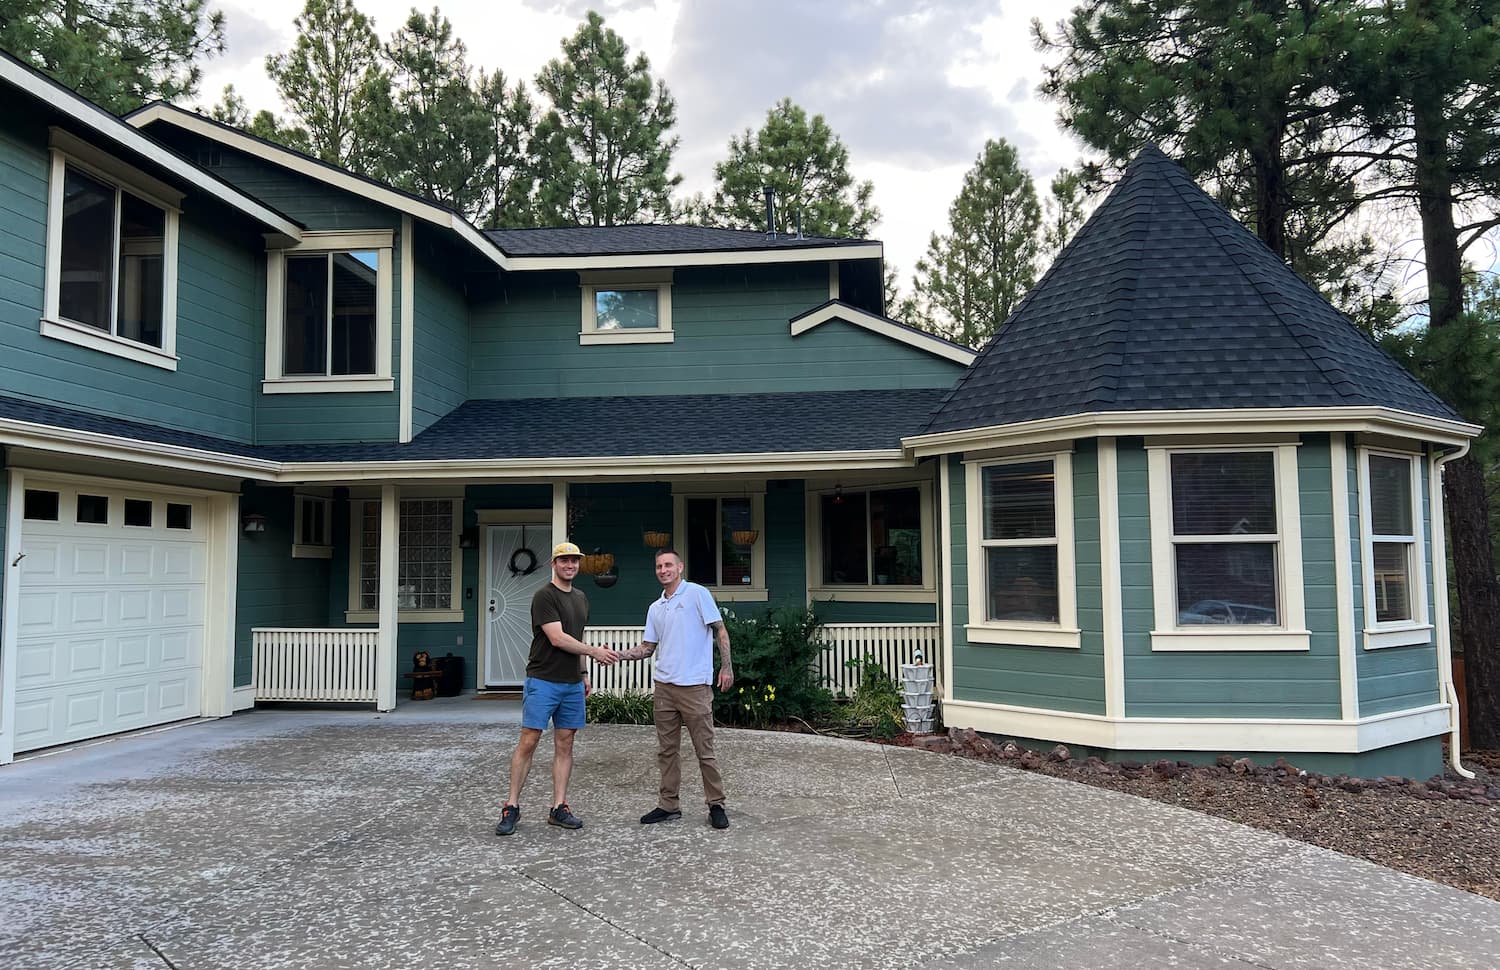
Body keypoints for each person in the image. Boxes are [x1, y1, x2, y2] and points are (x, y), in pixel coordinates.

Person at [494, 541, 617, 836]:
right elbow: (558, 639)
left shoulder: (581, 598)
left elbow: (577, 634)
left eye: (574, 561)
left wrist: (584, 672)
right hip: (543, 680)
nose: (570, 566)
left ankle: (558, 807)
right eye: (564, 561)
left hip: (572, 683)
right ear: (554, 565)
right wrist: (594, 653)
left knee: (565, 744)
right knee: (529, 741)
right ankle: (511, 806)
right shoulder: (543, 597)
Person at [614, 548, 734, 829]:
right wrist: (618, 655)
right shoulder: (656, 608)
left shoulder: (696, 594)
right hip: (664, 687)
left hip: (695, 687)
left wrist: (726, 667)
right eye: (659, 566)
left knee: (705, 751)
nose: (663, 570)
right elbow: (647, 648)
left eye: (668, 565)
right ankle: (669, 805)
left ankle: (716, 804)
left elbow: (720, 628)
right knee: (667, 752)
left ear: (680, 567)